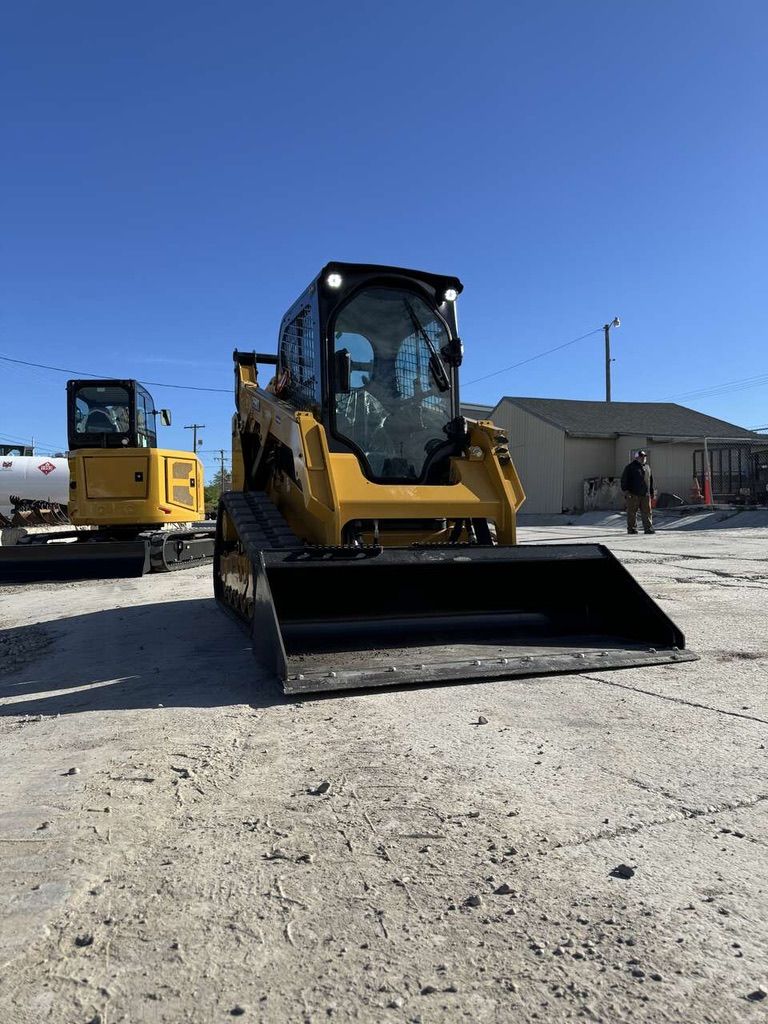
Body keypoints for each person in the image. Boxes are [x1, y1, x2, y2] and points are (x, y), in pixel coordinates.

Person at [621, 449, 656, 535]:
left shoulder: (647, 467)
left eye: (644, 457)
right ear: (636, 458)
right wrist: (626, 491)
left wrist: (651, 492)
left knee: (647, 512)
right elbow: (624, 480)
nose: (643, 458)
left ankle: (648, 529)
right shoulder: (630, 467)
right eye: (641, 457)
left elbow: (650, 481)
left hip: (645, 494)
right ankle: (632, 529)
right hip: (633, 494)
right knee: (632, 512)